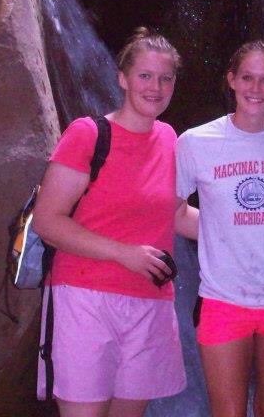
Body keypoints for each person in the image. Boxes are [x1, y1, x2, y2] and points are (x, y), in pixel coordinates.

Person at [32, 27, 199, 417]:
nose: (155, 87)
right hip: (85, 299)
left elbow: (176, 215)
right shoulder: (88, 135)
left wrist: (248, 226)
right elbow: (47, 221)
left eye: (165, 78)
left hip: (150, 301)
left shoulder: (170, 139)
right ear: (123, 78)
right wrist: (124, 254)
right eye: (145, 76)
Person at [176, 40, 264, 417]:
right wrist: (221, 231)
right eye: (247, 78)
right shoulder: (195, 142)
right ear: (231, 80)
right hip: (222, 297)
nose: (256, 89)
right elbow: (175, 215)